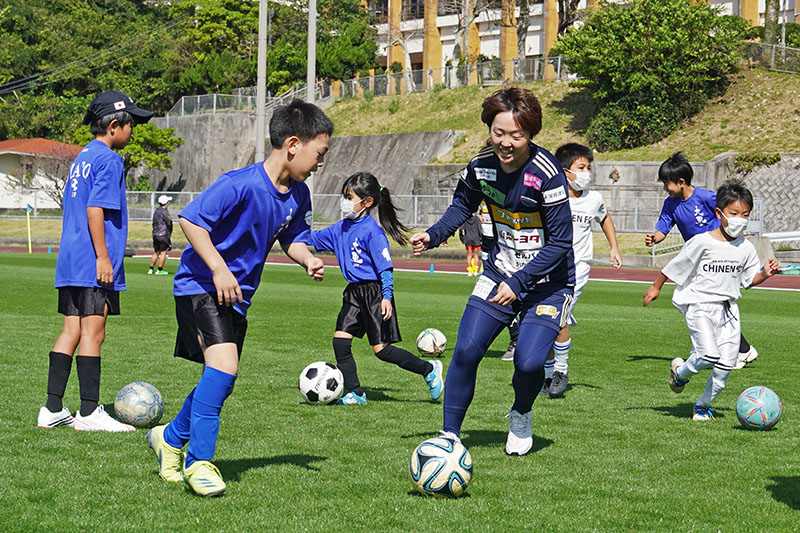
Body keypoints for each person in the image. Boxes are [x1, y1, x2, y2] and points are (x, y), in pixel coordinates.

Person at [145, 99, 331, 497]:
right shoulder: (239, 183)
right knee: (224, 368)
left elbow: (291, 239)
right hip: (200, 285)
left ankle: (170, 438)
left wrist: (307, 258)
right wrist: (219, 268)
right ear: (294, 144)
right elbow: (191, 219)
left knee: (221, 380)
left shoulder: (299, 196)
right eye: (320, 152)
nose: (321, 162)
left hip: (237, 297)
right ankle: (200, 462)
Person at [410, 87, 575, 456]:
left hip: (548, 284)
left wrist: (519, 283)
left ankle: (521, 413)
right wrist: (434, 235)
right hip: (499, 273)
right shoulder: (480, 165)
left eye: (516, 135)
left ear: (529, 134)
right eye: (499, 133)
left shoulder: (546, 175)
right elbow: (461, 205)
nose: (506, 142)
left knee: (529, 362)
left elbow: (561, 243)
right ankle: (449, 434)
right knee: (466, 350)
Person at [37, 90, 153, 431]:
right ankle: (89, 412)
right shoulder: (110, 160)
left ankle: (53, 407)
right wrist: (104, 257)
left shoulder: (82, 157)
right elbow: (94, 208)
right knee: (94, 332)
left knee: (70, 330)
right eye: (131, 123)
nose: (133, 130)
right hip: (92, 260)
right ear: (114, 125)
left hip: (71, 258)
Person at [643, 180, 780, 420]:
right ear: (719, 213)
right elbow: (674, 266)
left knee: (725, 367)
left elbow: (748, 280)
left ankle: (702, 405)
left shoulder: (746, 247)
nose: (740, 219)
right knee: (708, 356)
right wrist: (656, 287)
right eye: (734, 213)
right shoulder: (702, 242)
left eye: (745, 214)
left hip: (729, 311)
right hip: (700, 307)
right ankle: (681, 372)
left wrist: (765, 274)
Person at [307, 172, 443, 405]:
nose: (345, 202)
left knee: (381, 350)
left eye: (349, 198)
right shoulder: (340, 228)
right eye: (344, 197)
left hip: (374, 293)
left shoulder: (373, 232)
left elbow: (385, 269)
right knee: (340, 342)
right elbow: (312, 238)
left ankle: (429, 369)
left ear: (367, 202)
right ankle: (356, 393)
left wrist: (386, 297)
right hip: (353, 293)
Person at [645, 152, 758, 369]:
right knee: (701, 303)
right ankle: (736, 349)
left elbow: (730, 212)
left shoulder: (705, 197)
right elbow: (663, 228)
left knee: (707, 303)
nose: (665, 188)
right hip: (696, 258)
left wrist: (735, 234)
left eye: (666, 183)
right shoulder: (670, 204)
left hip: (716, 255)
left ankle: (728, 350)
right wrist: (654, 239)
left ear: (681, 182)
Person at [540, 143, 622, 397]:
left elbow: (605, 217)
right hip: (547, 265)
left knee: (558, 318)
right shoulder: (550, 197)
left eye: (589, 167)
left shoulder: (594, 199)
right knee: (544, 319)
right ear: (565, 172)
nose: (587, 173)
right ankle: (546, 375)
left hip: (577, 267)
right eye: (581, 168)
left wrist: (614, 248)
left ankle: (560, 372)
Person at [148, 195, 173, 275]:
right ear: (166, 203)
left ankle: (151, 269)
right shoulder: (165, 212)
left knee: (156, 252)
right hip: (163, 234)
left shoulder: (156, 211)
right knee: (163, 252)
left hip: (155, 233)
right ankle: (159, 269)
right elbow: (169, 223)